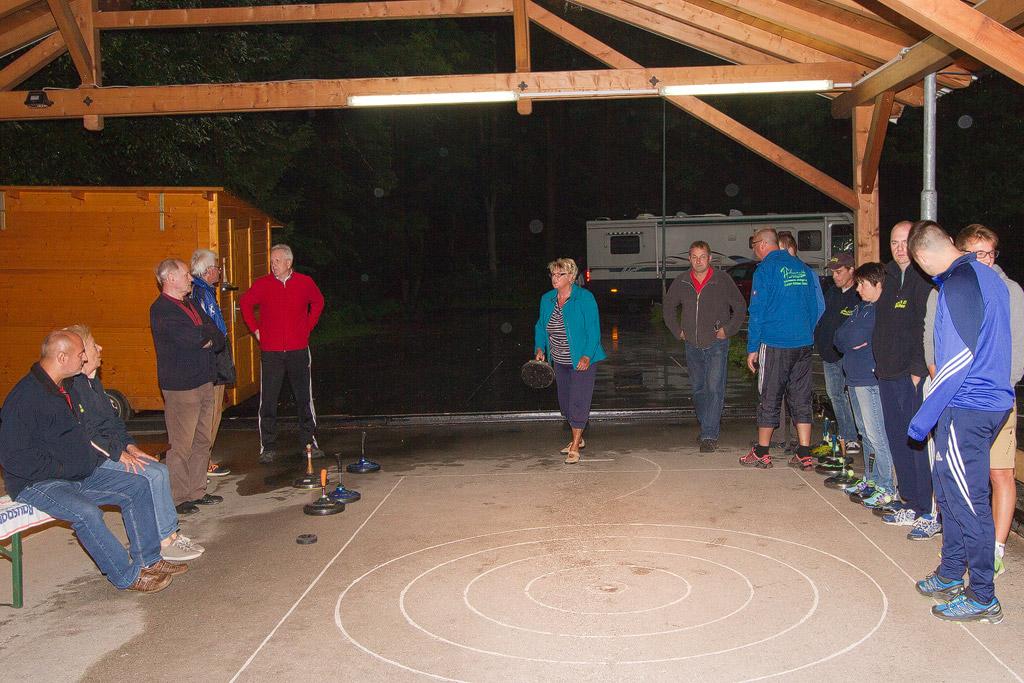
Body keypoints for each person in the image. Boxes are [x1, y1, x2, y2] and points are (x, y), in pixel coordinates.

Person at [0, 330, 186, 593]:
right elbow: (13, 458)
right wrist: (62, 469)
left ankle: (149, 560)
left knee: (137, 485)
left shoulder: (66, 387)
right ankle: (126, 576)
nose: (85, 358)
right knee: (87, 513)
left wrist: (103, 455)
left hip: (76, 473)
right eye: (80, 354)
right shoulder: (25, 398)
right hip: (38, 483)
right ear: (61, 357)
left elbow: (89, 431)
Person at [907, 220, 1012, 623]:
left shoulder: (957, 284)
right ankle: (951, 571)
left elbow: (956, 361)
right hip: (982, 403)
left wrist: (923, 419)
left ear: (921, 258)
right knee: (949, 491)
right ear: (950, 242)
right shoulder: (987, 276)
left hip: (968, 405)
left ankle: (983, 595)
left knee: (969, 502)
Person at [64, 323, 204, 562]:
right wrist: (119, 454)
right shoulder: (74, 388)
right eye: (94, 345)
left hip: (110, 451)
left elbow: (114, 423)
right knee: (149, 475)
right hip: (94, 461)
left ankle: (170, 535)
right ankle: (164, 540)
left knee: (159, 469)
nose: (100, 348)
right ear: (82, 354)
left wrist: (131, 447)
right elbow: (87, 434)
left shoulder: (93, 383)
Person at [954, 224, 1023, 574]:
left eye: (990, 253)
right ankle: (970, 541)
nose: (987, 260)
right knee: (968, 475)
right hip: (964, 398)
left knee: (1001, 472)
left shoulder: (1010, 291)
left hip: (997, 396)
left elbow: (1017, 350)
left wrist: (1002, 390)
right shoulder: (960, 288)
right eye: (978, 253)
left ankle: (995, 547)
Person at [740, 228, 825, 469]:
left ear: (762, 244)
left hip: (775, 343)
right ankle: (804, 452)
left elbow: (757, 311)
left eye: (754, 245)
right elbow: (814, 306)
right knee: (801, 397)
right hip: (803, 344)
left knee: (769, 396)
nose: (754, 251)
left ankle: (762, 451)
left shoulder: (765, 269)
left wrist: (753, 348)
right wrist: (805, 332)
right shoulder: (802, 268)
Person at [874, 221, 937, 539]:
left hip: (911, 375)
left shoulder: (924, 278)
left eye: (904, 242)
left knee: (918, 443)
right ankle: (909, 501)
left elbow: (925, 327)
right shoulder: (886, 275)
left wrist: (917, 369)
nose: (899, 248)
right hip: (886, 373)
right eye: (894, 242)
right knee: (898, 439)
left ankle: (928, 509)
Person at [151, 258, 226, 514]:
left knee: (203, 440)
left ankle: (197, 491)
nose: (191, 278)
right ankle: (179, 497)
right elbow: (192, 340)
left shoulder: (191, 303)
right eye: (186, 275)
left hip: (204, 379)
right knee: (181, 444)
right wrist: (205, 336)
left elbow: (217, 335)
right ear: (170, 278)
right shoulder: (162, 310)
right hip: (182, 386)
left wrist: (207, 337)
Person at [240, 244, 325, 464]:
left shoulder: (305, 282)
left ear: (289, 262)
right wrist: (256, 330)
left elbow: (318, 302)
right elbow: (245, 303)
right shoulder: (263, 284)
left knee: (304, 398)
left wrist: (307, 327)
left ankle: (309, 442)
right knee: (268, 400)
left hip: (298, 349)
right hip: (272, 352)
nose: (273, 265)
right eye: (271, 261)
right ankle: (268, 446)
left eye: (277, 261)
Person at [662, 241, 746, 452]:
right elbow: (668, 308)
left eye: (702, 257)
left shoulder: (722, 279)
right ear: (689, 259)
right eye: (694, 257)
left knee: (714, 388)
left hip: (717, 344)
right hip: (692, 345)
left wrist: (727, 330)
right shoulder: (682, 281)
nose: (698, 261)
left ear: (710, 258)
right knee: (698, 389)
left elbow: (740, 307)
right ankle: (707, 422)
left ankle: (709, 435)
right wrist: (678, 331)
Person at [832, 263, 896, 509]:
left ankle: (887, 486)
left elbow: (856, 336)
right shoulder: (861, 308)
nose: (858, 289)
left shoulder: (881, 310)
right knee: (865, 434)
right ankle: (871, 479)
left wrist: (853, 339)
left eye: (862, 284)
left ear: (878, 284)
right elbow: (840, 337)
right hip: (854, 378)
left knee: (877, 434)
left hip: (870, 381)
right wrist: (852, 340)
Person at [534, 258, 606, 464]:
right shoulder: (547, 299)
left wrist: (587, 355)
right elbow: (541, 326)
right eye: (553, 274)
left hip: (582, 359)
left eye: (560, 274)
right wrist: (540, 348)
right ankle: (578, 436)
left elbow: (593, 330)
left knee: (578, 401)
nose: (554, 278)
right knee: (565, 404)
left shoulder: (584, 298)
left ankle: (575, 445)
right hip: (559, 360)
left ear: (571, 277)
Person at [190, 248, 235, 477]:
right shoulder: (202, 294)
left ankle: (204, 458)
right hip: (213, 358)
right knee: (211, 411)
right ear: (208, 271)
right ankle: (203, 461)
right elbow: (211, 329)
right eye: (217, 267)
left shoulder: (204, 291)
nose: (219, 270)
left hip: (214, 356)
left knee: (213, 409)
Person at [813, 252, 861, 457]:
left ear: (851, 270)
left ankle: (859, 437)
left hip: (850, 357)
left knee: (855, 397)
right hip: (829, 354)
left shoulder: (858, 294)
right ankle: (848, 435)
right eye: (833, 272)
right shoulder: (831, 292)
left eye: (839, 272)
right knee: (835, 395)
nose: (835, 276)